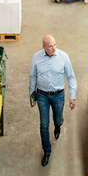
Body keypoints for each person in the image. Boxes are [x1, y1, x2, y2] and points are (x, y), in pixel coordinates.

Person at [29, 34, 77, 166]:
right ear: (43, 47)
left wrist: (72, 96)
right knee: (44, 124)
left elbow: (71, 77)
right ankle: (47, 151)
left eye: (55, 45)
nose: (54, 48)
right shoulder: (36, 57)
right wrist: (32, 95)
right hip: (42, 95)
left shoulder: (63, 57)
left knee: (58, 119)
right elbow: (33, 76)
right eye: (50, 46)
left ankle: (58, 125)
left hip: (58, 95)